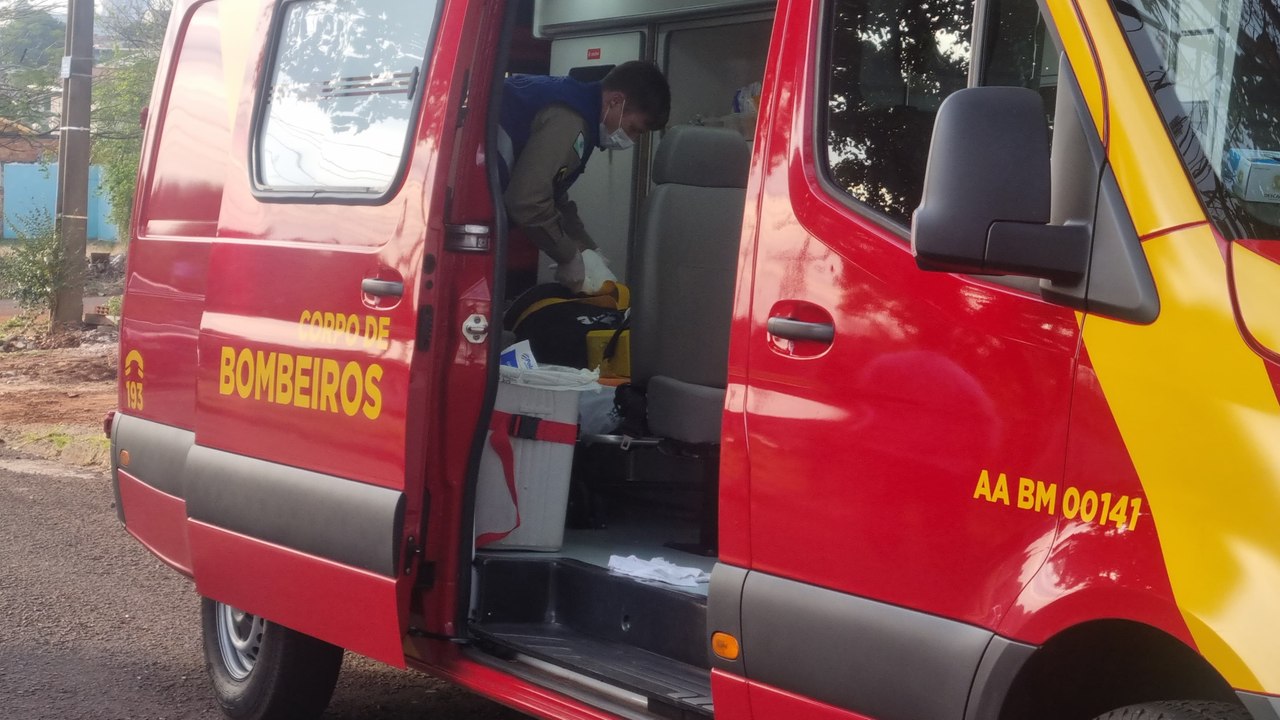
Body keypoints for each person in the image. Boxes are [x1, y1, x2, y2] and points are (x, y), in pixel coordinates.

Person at [498, 61, 671, 292]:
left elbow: (554, 194)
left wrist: (587, 250)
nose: (632, 139)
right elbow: (526, 200)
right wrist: (568, 256)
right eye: (633, 129)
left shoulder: (577, 107)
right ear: (615, 101)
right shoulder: (570, 119)